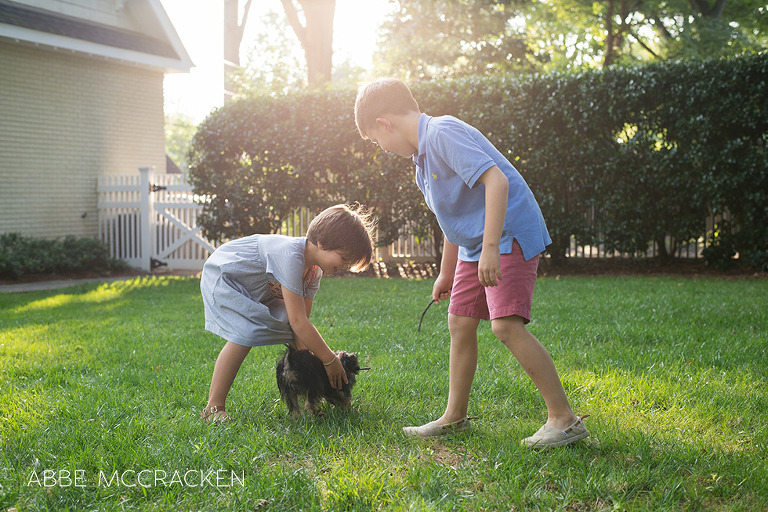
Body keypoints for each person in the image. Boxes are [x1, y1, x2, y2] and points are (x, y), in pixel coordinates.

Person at [354, 78, 589, 448]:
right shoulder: (421, 162)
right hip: (473, 245)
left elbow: (496, 182)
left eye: (375, 139)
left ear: (385, 122)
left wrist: (492, 248)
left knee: (506, 326)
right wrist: (447, 273)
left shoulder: (442, 132)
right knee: (460, 321)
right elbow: (452, 218)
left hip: (506, 233)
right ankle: (454, 417)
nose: (382, 148)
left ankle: (565, 419)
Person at [200, 204, 375, 422]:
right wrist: (329, 360)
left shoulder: (313, 273)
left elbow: (299, 325)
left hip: (255, 291)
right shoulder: (291, 257)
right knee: (247, 333)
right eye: (344, 258)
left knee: (287, 322)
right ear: (322, 243)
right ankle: (213, 408)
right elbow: (299, 322)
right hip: (225, 277)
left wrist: (312, 361)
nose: (347, 266)